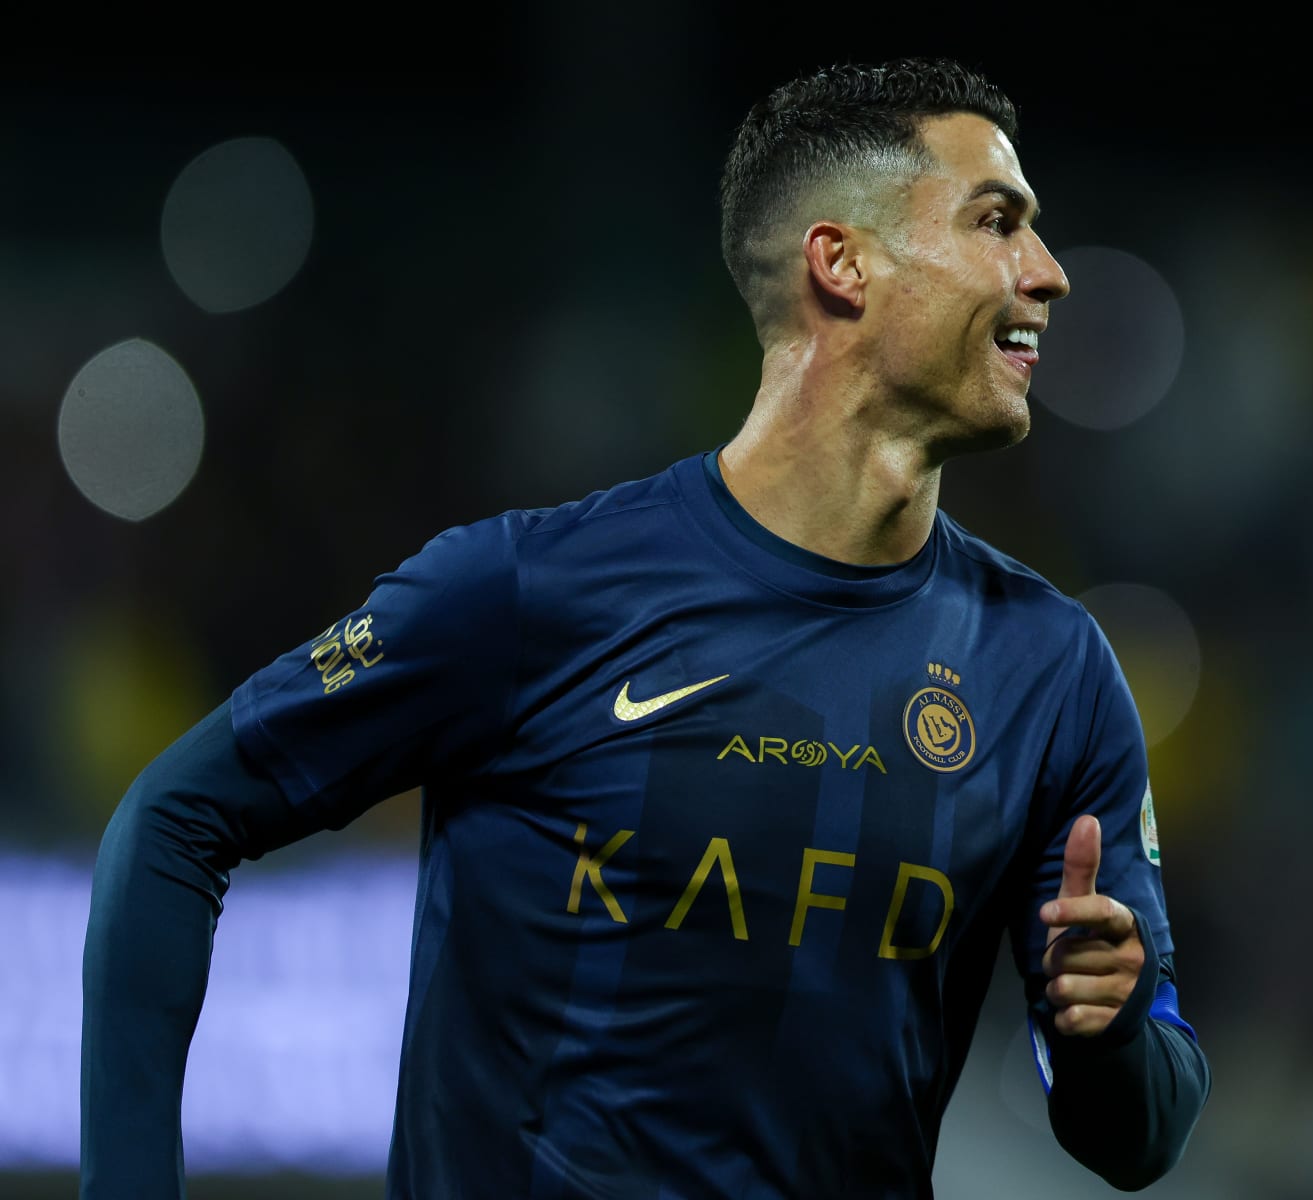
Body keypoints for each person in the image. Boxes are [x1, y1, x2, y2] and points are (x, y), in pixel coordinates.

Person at [81, 57, 1209, 1198]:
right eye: (996, 221)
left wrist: (1102, 1036)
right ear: (843, 262)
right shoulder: (533, 591)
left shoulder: (1051, 667)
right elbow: (175, 821)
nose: (1051, 275)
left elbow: (1142, 1135)